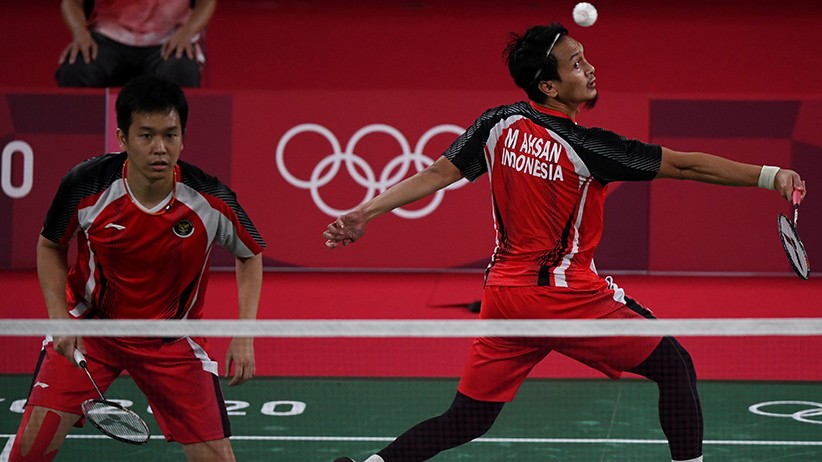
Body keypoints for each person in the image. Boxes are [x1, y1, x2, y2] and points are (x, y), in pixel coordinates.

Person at [324, 22, 806, 462]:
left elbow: (437, 172)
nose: (590, 68)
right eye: (576, 64)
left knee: (469, 418)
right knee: (675, 364)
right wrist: (770, 175)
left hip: (505, 298)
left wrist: (363, 213)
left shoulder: (497, 122)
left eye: (585, 57)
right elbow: (686, 165)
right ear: (549, 86)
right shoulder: (589, 147)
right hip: (562, 295)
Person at [10, 75, 265, 461]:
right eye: (146, 135)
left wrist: (244, 333)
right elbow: (50, 246)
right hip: (92, 331)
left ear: (183, 137)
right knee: (29, 451)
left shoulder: (210, 199)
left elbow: (250, 254)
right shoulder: (86, 186)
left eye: (170, 134)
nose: (160, 148)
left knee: (217, 458)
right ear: (123, 139)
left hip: (172, 340)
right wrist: (58, 318)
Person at [56, 0, 216, 87]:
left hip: (168, 38)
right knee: (75, 69)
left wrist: (187, 32)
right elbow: (72, 2)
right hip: (109, 34)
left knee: (182, 70)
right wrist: (80, 32)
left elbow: (206, 2)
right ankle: (80, 143)